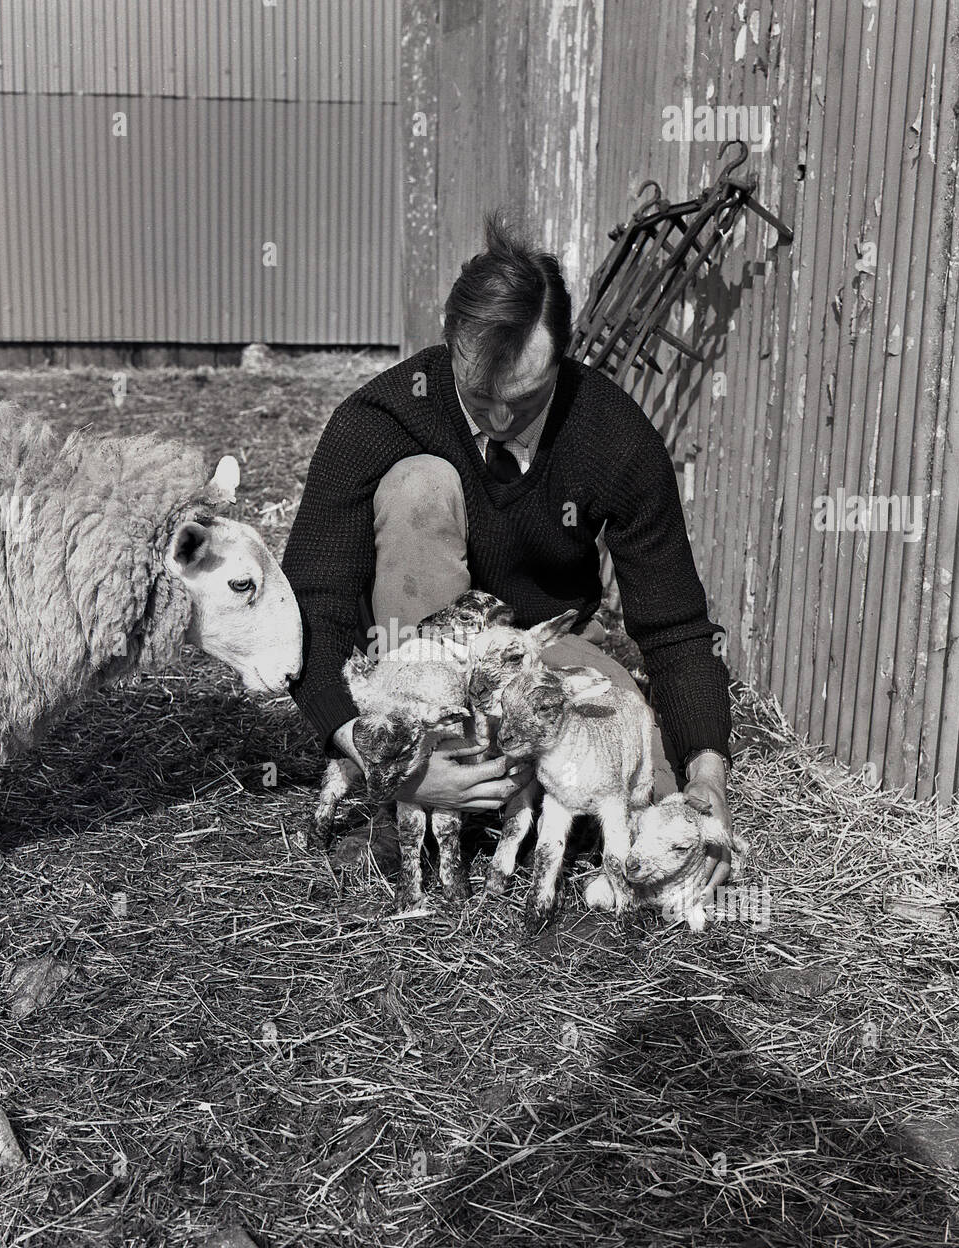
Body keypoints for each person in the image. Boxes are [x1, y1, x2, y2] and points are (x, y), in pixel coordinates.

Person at [282, 213, 734, 893]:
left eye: (523, 401)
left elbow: (673, 627)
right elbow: (312, 601)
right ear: (449, 339)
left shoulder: (611, 434)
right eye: (479, 397)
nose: (497, 422)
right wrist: (378, 750)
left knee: (637, 760)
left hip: (541, 653)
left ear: (564, 359)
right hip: (423, 664)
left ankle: (524, 803)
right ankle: (436, 777)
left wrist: (706, 772)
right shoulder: (375, 422)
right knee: (420, 485)